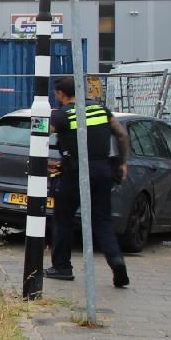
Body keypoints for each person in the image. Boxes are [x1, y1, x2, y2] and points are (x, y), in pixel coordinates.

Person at [46, 75, 131, 288]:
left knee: (63, 218)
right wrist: (122, 162)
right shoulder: (100, 110)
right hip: (102, 170)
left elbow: (41, 133)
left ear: (61, 94)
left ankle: (62, 267)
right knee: (102, 220)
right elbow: (121, 135)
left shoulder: (62, 114)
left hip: (74, 172)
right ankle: (116, 260)